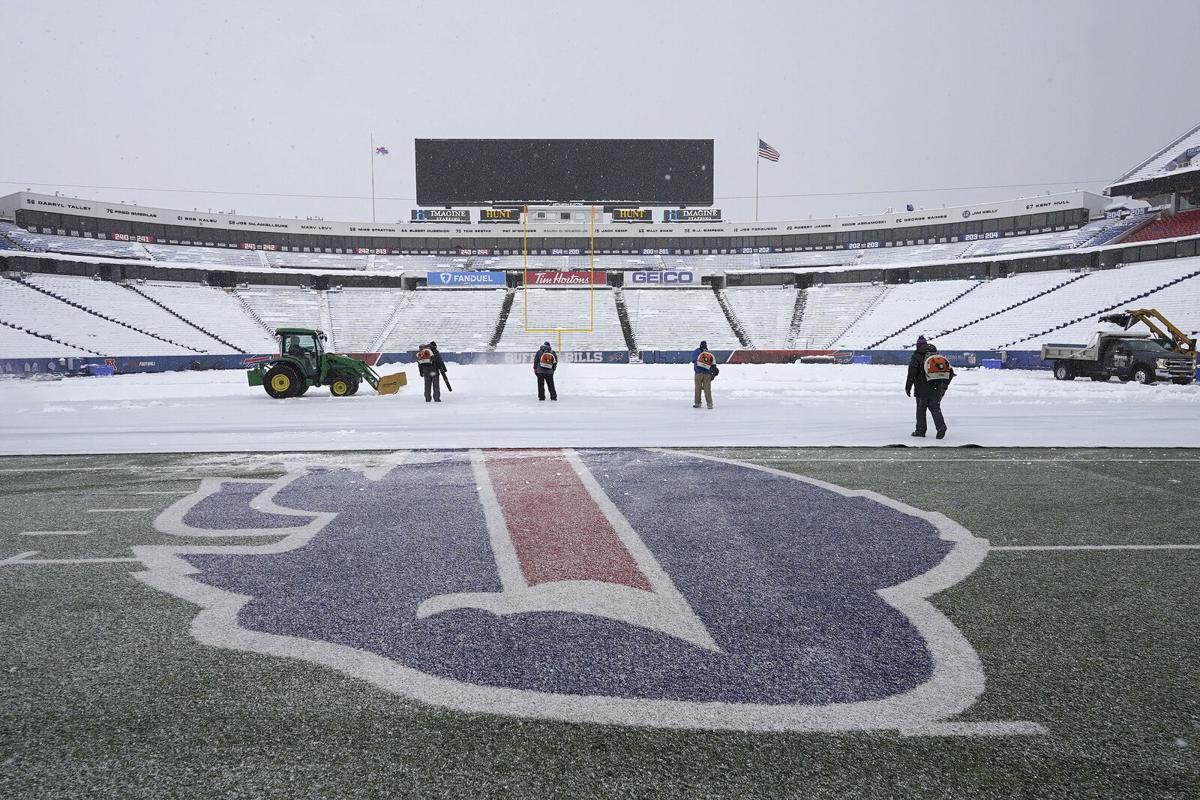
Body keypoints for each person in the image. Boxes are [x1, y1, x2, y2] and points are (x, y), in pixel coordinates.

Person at [905, 335, 954, 439]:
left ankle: (920, 431)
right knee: (935, 409)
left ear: (918, 345)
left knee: (921, 411)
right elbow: (950, 372)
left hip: (921, 389)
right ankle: (941, 426)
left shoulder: (917, 356)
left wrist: (908, 387)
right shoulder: (936, 355)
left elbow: (912, 373)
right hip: (936, 388)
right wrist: (944, 386)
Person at [691, 339, 718, 409]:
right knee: (707, 389)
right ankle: (709, 404)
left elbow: (693, 360)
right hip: (707, 374)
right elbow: (713, 366)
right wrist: (712, 374)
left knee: (697, 389)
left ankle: (697, 403)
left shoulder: (697, 351)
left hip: (698, 373)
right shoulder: (710, 354)